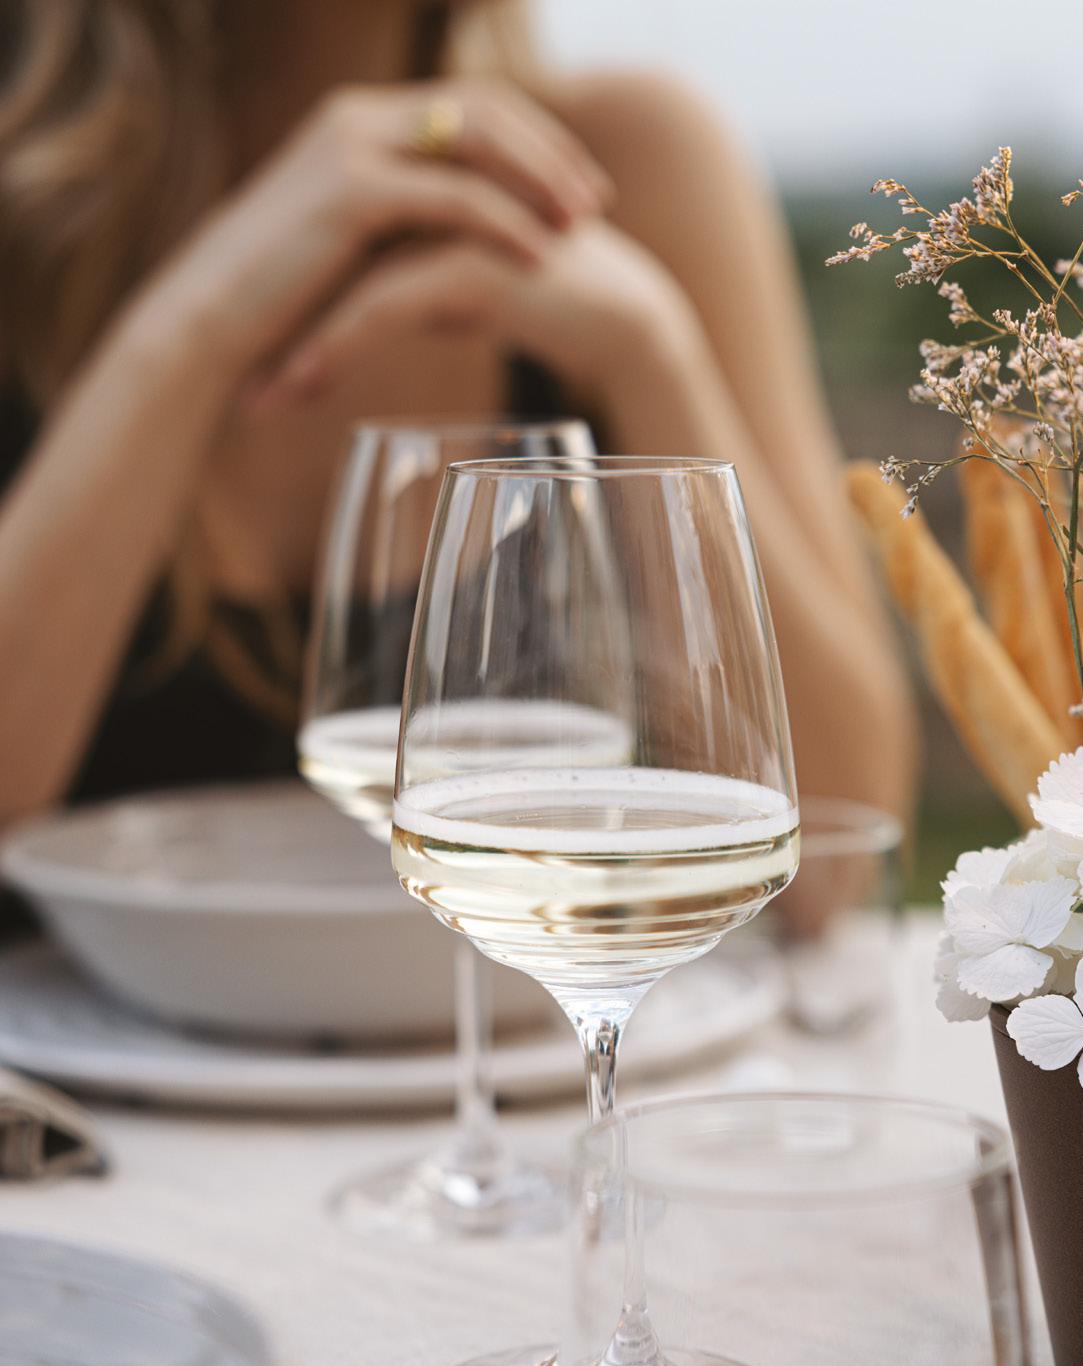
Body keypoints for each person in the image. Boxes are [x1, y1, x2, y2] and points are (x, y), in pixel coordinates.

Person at [0, 1, 915, 867]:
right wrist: (190, 330)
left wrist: (648, 351)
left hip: (520, 985)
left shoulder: (625, 167)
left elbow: (838, 852)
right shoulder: (26, 225)